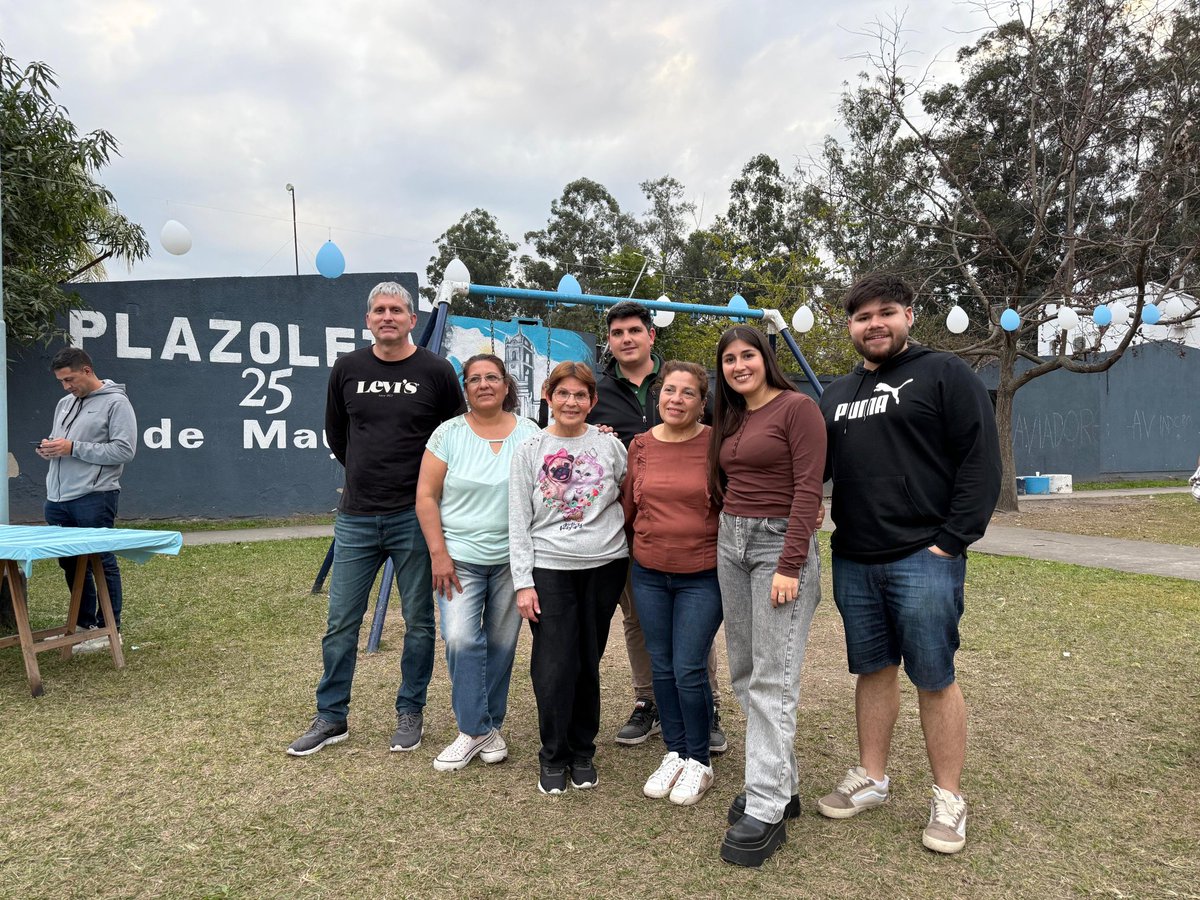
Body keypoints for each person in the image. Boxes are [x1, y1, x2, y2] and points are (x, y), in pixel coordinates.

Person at [816, 273, 1001, 855]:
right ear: (849, 327)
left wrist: (950, 541)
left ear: (909, 316)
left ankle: (949, 799)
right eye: (862, 316)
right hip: (854, 555)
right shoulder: (835, 393)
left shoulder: (945, 373)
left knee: (934, 676)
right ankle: (872, 777)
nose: (874, 324)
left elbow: (980, 460)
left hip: (924, 555)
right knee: (872, 670)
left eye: (886, 312)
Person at [287, 282, 464, 757]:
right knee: (341, 621)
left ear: (411, 318)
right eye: (379, 310)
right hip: (358, 517)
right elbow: (337, 434)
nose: (388, 316)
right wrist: (367, 476)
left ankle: (411, 710)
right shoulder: (347, 369)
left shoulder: (437, 371)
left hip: (416, 516)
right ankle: (331, 716)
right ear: (368, 320)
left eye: (397, 309)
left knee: (420, 622)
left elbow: (454, 436)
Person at [710, 325, 826, 867]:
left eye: (747, 355)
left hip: (779, 544)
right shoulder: (734, 416)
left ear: (766, 358)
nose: (738, 365)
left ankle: (766, 805)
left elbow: (809, 487)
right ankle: (782, 783)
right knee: (745, 670)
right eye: (729, 359)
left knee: (773, 679)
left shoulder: (797, 408)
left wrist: (790, 564)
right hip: (731, 541)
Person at [589, 300, 726, 754]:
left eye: (634, 330)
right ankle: (647, 702)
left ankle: (706, 710)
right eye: (617, 333)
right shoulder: (599, 390)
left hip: (692, 535)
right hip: (632, 526)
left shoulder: (678, 380)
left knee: (692, 630)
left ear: (651, 335)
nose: (626, 338)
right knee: (638, 622)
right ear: (609, 342)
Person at [509, 362, 628, 795]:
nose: (572, 402)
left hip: (605, 565)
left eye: (581, 395)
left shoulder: (611, 447)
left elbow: (627, 495)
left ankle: (582, 751)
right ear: (548, 396)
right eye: (564, 394)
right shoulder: (530, 449)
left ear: (592, 401)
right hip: (550, 569)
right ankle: (553, 754)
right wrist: (523, 581)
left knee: (587, 660)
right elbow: (518, 519)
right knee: (554, 663)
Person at [415, 354, 539, 771]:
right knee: (461, 640)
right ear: (465, 388)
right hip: (459, 560)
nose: (483, 384)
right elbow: (426, 498)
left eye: (492, 377)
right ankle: (474, 729)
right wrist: (439, 555)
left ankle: (487, 726)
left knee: (502, 645)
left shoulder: (531, 434)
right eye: (474, 379)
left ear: (507, 386)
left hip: (512, 561)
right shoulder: (447, 434)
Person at [622, 361, 722, 806]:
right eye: (669, 390)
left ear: (703, 403)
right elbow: (628, 506)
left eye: (687, 393)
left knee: (688, 667)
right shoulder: (639, 445)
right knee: (660, 665)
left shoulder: (718, 443)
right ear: (657, 396)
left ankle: (699, 759)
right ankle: (674, 752)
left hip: (702, 576)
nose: (675, 399)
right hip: (648, 572)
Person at [35, 347, 137, 654]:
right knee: (69, 562)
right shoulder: (65, 403)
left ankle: (110, 631)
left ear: (87, 371)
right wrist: (51, 448)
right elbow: (65, 444)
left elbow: (124, 451)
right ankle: (84, 626)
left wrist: (73, 447)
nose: (66, 386)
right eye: (61, 381)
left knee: (100, 561)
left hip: (95, 496)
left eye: (70, 379)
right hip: (58, 497)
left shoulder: (117, 403)